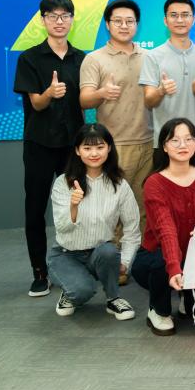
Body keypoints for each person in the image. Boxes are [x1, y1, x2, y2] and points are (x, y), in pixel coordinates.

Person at [13, 0, 85, 297]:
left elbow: (86, 100)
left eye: (65, 15)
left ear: (72, 19)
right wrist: (49, 93)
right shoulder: (29, 58)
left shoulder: (82, 59)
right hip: (40, 144)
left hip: (73, 146)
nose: (59, 21)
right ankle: (39, 273)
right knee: (35, 208)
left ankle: (80, 266)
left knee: (79, 204)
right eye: (53, 16)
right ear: (43, 20)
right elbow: (36, 104)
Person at [131, 118, 195, 335]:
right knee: (161, 262)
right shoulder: (155, 182)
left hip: (194, 255)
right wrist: (174, 268)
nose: (183, 145)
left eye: (189, 139)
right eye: (175, 140)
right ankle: (159, 310)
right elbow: (166, 229)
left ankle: (187, 296)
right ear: (164, 146)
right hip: (157, 255)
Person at [79, 0, 152, 282]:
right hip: (116, 145)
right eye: (118, 21)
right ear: (108, 25)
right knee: (115, 210)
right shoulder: (95, 59)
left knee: (143, 207)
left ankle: (138, 260)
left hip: (148, 141)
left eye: (129, 21)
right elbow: (84, 99)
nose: (124, 26)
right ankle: (115, 264)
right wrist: (102, 94)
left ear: (137, 25)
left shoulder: (148, 56)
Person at [47, 123, 139, 321]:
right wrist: (73, 206)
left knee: (109, 251)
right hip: (66, 254)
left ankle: (113, 298)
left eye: (100, 147)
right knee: (82, 291)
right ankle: (70, 290)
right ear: (77, 151)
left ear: (109, 148)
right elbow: (62, 227)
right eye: (87, 148)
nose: (94, 153)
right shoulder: (63, 182)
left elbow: (132, 228)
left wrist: (125, 261)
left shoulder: (119, 184)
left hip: (99, 252)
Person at [139, 0, 195, 166]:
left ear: (193, 20)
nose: (180, 20)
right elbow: (148, 100)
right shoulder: (153, 56)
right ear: (165, 20)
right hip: (166, 141)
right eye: (174, 15)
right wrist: (161, 91)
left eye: (185, 15)